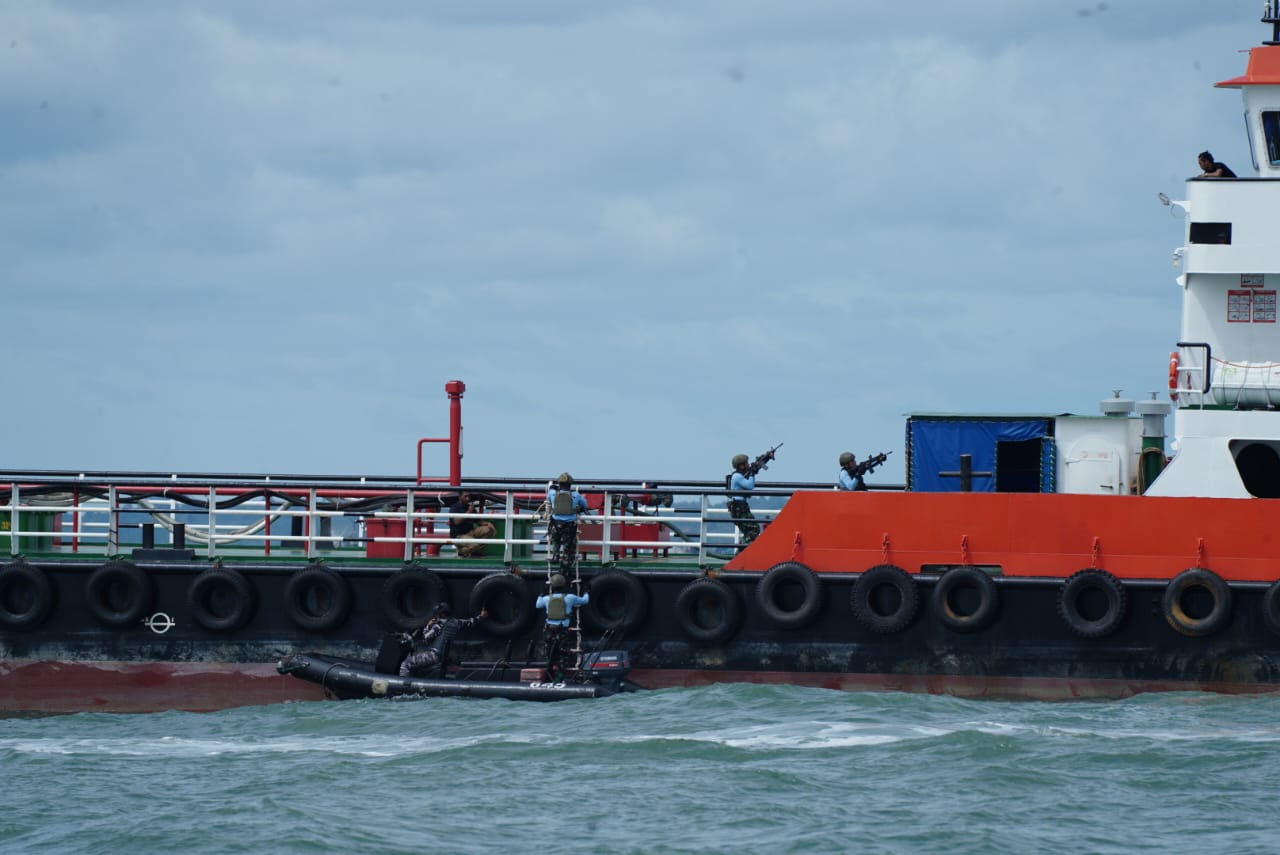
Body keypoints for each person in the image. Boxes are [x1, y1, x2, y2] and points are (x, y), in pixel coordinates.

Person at [398, 602, 486, 678]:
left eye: (438, 614)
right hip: (443, 657)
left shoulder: (438, 626)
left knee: (406, 663)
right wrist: (481, 616)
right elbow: (471, 622)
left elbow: (425, 638)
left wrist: (428, 626)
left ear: (442, 614)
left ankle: (403, 687)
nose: (436, 616)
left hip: (433, 656)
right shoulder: (456, 622)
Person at [535, 574, 590, 682]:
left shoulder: (546, 599)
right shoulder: (570, 598)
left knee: (550, 654)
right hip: (562, 631)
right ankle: (559, 680)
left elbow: (537, 605)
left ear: (552, 586)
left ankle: (548, 678)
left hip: (548, 630)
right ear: (564, 585)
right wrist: (586, 592)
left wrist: (541, 594)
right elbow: (585, 601)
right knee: (562, 656)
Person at [546, 472, 589, 568]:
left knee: (556, 540)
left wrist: (553, 488)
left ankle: (555, 555)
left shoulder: (552, 493)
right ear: (570, 484)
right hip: (569, 526)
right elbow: (585, 504)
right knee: (569, 546)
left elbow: (548, 498)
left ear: (559, 484)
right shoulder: (576, 495)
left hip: (556, 524)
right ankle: (565, 562)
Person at [449, 491, 496, 558]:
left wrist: (488, 523)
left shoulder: (470, 507)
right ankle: (461, 551)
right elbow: (457, 522)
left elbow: (478, 521)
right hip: (458, 536)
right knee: (475, 545)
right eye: (465, 496)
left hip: (470, 532)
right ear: (460, 497)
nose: (468, 498)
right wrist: (469, 511)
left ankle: (474, 550)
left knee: (488, 530)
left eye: (469, 496)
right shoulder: (455, 507)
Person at [727, 453, 761, 543]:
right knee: (753, 530)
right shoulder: (737, 476)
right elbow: (749, 486)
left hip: (741, 506)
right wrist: (752, 473)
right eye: (746, 463)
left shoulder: (740, 475)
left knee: (751, 530)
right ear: (741, 466)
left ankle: (742, 549)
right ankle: (742, 549)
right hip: (739, 507)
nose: (748, 464)